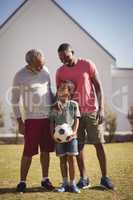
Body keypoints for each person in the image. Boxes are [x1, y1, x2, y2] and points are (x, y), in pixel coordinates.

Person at [56, 43, 115, 190]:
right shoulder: (60, 72)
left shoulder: (87, 64)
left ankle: (105, 178)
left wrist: (101, 108)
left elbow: (98, 86)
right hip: (73, 114)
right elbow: (60, 94)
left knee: (98, 144)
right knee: (78, 147)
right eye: (61, 59)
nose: (64, 61)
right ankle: (84, 179)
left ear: (73, 52)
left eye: (67, 57)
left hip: (91, 111)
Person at [11, 49, 55, 192]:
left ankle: (45, 179)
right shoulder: (19, 76)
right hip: (31, 120)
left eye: (43, 64)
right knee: (28, 152)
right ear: (29, 64)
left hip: (47, 119)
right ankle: (22, 182)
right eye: (38, 65)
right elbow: (14, 101)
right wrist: (20, 122)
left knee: (46, 151)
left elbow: (49, 91)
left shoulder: (46, 71)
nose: (41, 67)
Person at [50, 81, 81, 193]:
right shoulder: (54, 106)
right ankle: (64, 183)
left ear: (69, 92)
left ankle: (72, 184)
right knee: (62, 160)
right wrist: (52, 135)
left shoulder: (73, 104)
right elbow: (52, 123)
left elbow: (77, 120)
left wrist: (74, 132)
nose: (61, 90)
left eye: (64, 88)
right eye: (59, 88)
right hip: (59, 138)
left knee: (71, 159)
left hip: (72, 138)